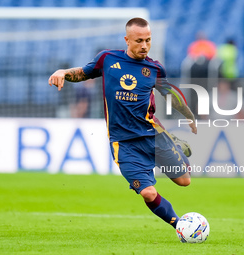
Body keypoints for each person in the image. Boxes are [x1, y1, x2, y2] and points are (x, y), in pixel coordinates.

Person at [48, 17, 197, 229]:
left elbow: (169, 92)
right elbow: (83, 73)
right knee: (148, 192)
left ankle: (175, 147)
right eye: (139, 41)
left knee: (184, 181)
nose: (144, 46)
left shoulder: (155, 69)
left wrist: (188, 114)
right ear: (127, 40)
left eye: (148, 40)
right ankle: (180, 226)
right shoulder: (107, 59)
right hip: (124, 143)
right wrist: (63, 72)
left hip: (152, 134)